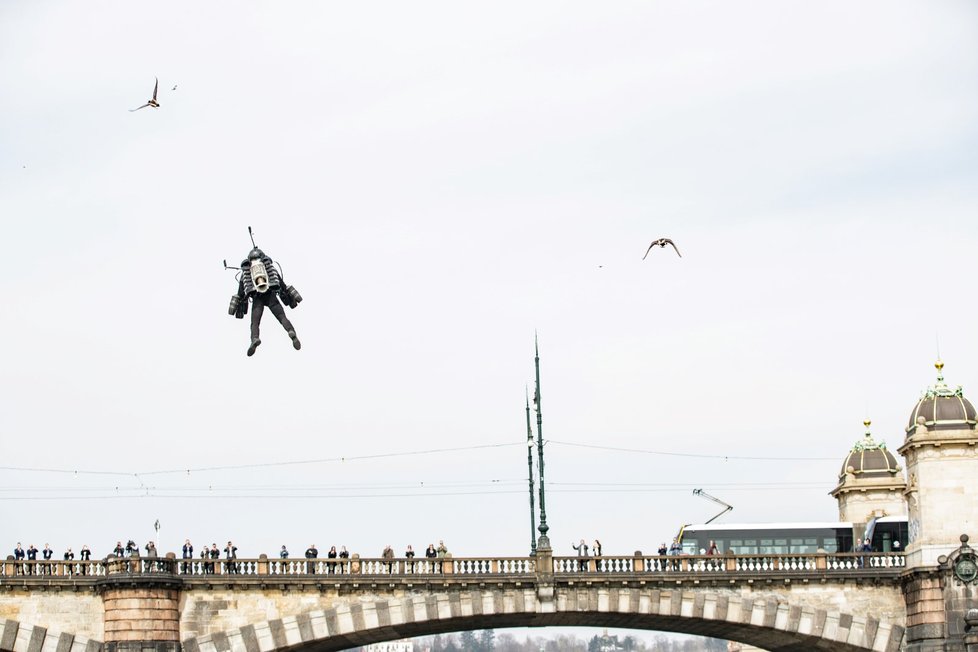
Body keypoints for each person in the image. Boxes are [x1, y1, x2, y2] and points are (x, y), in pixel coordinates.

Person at [230, 243, 302, 357]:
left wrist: (239, 304)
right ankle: (291, 332)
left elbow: (241, 292)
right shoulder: (269, 267)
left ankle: (255, 339)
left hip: (257, 298)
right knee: (282, 317)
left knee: (255, 322)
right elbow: (282, 285)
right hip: (271, 296)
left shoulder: (246, 272)